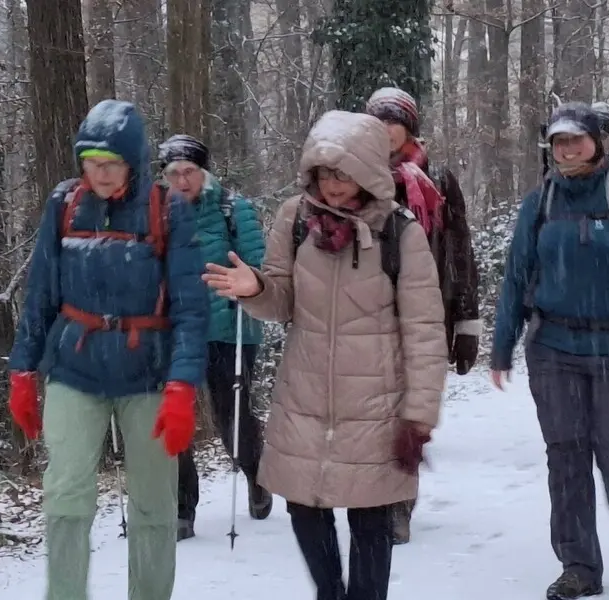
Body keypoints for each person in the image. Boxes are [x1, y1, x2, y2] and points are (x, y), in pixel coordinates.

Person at [201, 110, 448, 599]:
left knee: (371, 519)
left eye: (345, 172)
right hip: (306, 396)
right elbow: (281, 300)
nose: (334, 185)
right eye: (325, 172)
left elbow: (424, 331)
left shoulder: (401, 233)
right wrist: (256, 289)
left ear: (368, 171)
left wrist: (419, 416)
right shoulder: (295, 219)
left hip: (376, 402)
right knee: (304, 508)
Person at [6, 99, 209, 600]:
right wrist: (22, 371)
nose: (98, 173)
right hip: (75, 367)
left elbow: (190, 306)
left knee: (153, 504)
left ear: (133, 162)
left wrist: (183, 385)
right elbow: (41, 294)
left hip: (148, 374)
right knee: (66, 496)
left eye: (110, 163)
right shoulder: (64, 204)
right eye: (90, 163)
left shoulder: (168, 209)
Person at [489, 102, 609, 600]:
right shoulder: (540, 201)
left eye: (576, 140)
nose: (567, 149)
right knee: (565, 456)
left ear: (597, 142)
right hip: (552, 346)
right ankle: (579, 564)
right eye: (558, 142)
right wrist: (501, 344)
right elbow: (516, 276)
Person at [363, 86, 483, 545]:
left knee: (409, 413)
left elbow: (459, 248)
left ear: (409, 128)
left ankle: (398, 506)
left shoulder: (437, 179)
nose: (386, 132)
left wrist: (467, 322)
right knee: (372, 411)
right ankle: (372, 498)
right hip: (366, 313)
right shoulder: (353, 174)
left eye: (394, 122)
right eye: (378, 122)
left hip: (426, 309)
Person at [157, 134, 271, 544]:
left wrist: (247, 285)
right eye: (174, 173)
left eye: (190, 172)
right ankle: (183, 508)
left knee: (231, 418)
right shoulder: (157, 216)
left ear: (204, 172)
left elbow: (257, 268)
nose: (182, 181)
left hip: (229, 330)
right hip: (176, 334)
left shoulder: (232, 210)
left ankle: (256, 474)